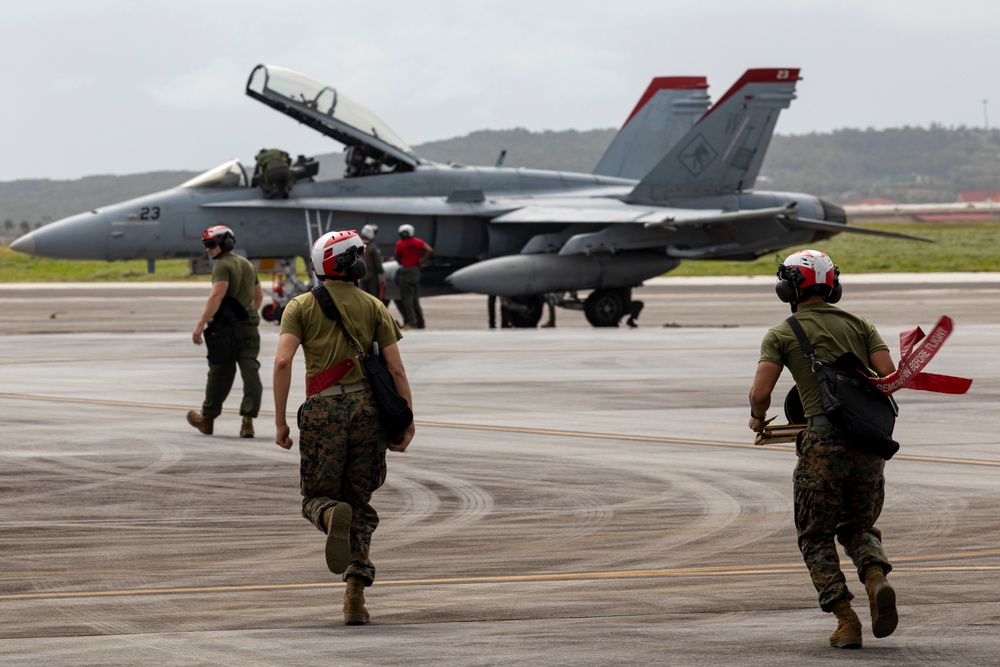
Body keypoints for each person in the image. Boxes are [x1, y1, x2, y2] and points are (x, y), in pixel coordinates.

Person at [747, 249, 899, 649]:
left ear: (788, 288)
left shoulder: (782, 333)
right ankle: (874, 576)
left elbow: (760, 393)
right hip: (868, 444)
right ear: (834, 285)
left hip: (820, 444)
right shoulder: (861, 324)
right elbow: (887, 374)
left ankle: (846, 620)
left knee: (815, 536)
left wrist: (757, 418)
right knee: (857, 527)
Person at [273, 230, 415, 626]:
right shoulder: (374, 305)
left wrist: (281, 420)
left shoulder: (298, 306)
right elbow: (396, 368)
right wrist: (407, 420)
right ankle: (355, 596)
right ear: (349, 262)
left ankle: (328, 513)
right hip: (368, 412)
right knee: (361, 506)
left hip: (322, 411)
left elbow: (282, 363)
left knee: (317, 498)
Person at [188, 225, 263, 438]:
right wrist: (249, 315)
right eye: (205, 245)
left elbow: (217, 296)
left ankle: (208, 419)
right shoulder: (247, 265)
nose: (207, 249)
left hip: (224, 329)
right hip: (248, 326)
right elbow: (258, 297)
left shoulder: (222, 266)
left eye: (211, 244)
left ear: (225, 243)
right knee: (250, 370)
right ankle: (247, 421)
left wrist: (201, 323)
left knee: (220, 372)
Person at [393, 224, 433, 330]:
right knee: (415, 299)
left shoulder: (400, 244)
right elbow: (429, 250)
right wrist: (420, 262)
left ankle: (411, 322)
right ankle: (421, 323)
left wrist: (401, 261)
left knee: (407, 299)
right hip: (416, 271)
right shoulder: (418, 242)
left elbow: (396, 256)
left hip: (406, 272)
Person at [358, 224, 386, 300]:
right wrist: (382, 274)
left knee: (363, 297)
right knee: (374, 298)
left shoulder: (358, 245)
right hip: (371, 275)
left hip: (361, 275)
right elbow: (378, 263)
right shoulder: (373, 247)